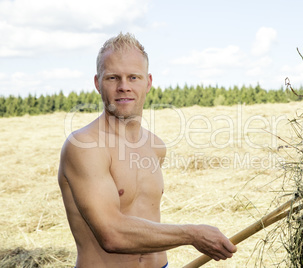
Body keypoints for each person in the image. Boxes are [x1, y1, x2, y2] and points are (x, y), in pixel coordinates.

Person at [58, 32, 237, 268]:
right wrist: (192, 234)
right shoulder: (84, 146)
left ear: (148, 82)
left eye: (133, 77)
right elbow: (112, 235)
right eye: (113, 78)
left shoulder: (155, 147)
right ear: (97, 83)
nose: (124, 87)